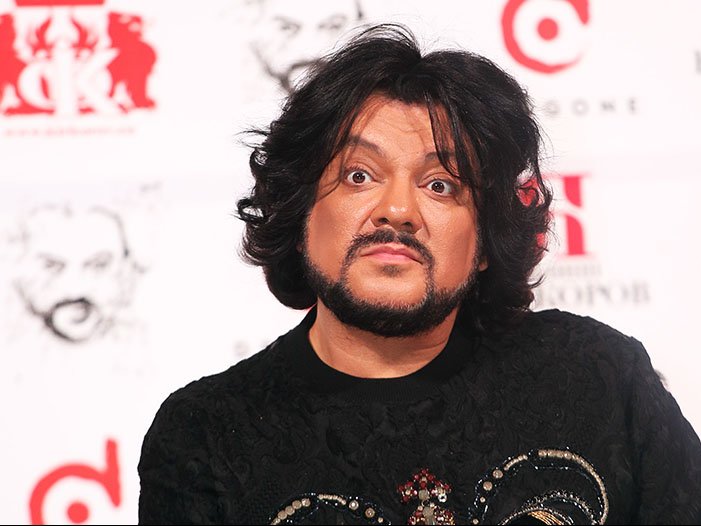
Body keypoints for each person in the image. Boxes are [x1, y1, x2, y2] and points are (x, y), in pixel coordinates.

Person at [138, 25, 701, 524]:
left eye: (440, 185)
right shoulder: (205, 437)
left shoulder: (597, 376)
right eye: (360, 175)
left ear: (486, 241)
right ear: (300, 213)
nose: (397, 210)